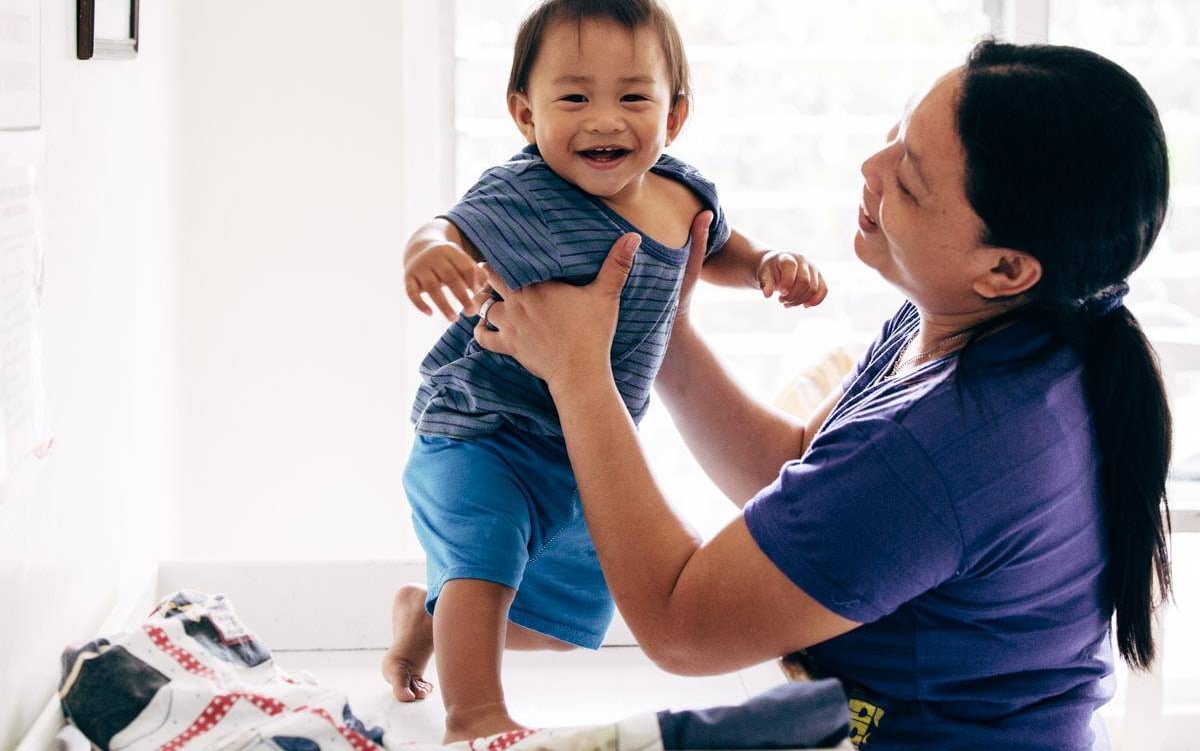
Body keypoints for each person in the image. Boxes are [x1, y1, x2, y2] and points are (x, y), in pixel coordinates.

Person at [469, 39, 1174, 750]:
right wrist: (666, 334)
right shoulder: (994, 323)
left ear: (1005, 268)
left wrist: (581, 377)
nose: (872, 169)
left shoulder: (945, 442)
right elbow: (803, 472)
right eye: (896, 135)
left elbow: (683, 627)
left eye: (911, 180)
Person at [384, 0, 828, 742]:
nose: (604, 121)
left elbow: (718, 248)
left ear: (675, 115)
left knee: (563, 623)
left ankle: (426, 618)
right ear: (525, 113)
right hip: (482, 427)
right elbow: (447, 227)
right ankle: (475, 715)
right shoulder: (523, 193)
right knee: (484, 566)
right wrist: (427, 252)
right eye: (574, 98)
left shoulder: (682, 193)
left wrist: (766, 266)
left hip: (586, 443)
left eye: (632, 97)